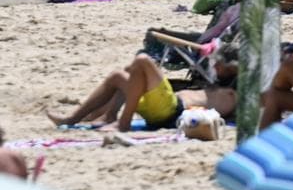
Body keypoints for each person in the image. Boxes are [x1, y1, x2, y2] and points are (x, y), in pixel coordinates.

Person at [47, 54, 235, 130]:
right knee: (118, 76)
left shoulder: (232, 95)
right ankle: (76, 118)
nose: (215, 66)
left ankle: (124, 121)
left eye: (221, 64)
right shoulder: (215, 85)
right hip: (161, 106)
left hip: (171, 110)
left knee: (143, 60)